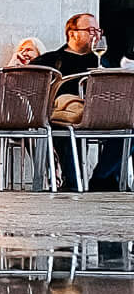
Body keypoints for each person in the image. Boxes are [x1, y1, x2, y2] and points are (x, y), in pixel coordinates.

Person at [42, 11, 120, 188]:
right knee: (67, 126)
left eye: (98, 31)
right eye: (91, 30)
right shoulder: (52, 60)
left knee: (128, 126)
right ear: (72, 33)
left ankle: (103, 179)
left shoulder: (105, 62)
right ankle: (73, 182)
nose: (96, 35)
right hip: (65, 115)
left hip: (102, 113)